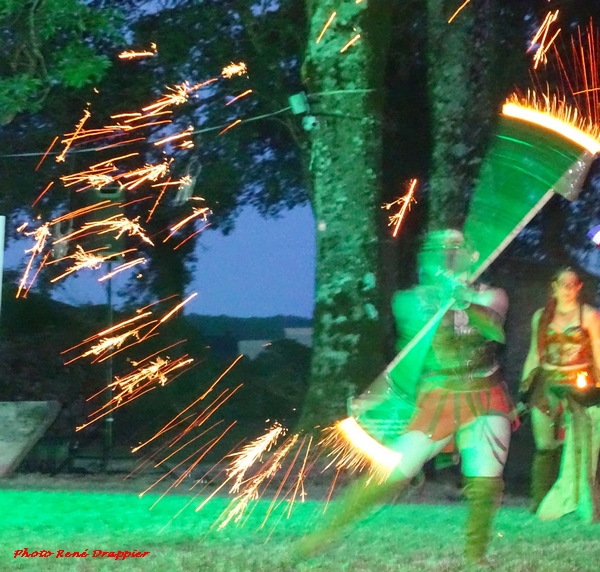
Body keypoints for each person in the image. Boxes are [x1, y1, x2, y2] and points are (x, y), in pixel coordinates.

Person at [295, 230, 517, 564]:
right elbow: (408, 361)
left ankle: (475, 558)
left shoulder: (493, 296)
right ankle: (321, 536)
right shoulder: (409, 301)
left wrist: (462, 300)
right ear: (426, 257)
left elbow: (495, 330)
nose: (446, 253)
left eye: (456, 246)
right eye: (438, 248)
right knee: (391, 472)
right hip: (438, 396)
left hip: (485, 394)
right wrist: (376, 398)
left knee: (485, 477)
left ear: (473, 255)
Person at [520, 267, 600, 521]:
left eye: (572, 284)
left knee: (575, 446)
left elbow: (598, 353)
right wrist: (525, 387)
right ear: (553, 287)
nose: (567, 289)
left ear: (578, 287)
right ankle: (540, 503)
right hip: (547, 383)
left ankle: (572, 501)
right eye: (562, 284)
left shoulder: (588, 315)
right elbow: (535, 352)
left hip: (579, 385)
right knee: (544, 445)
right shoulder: (541, 317)